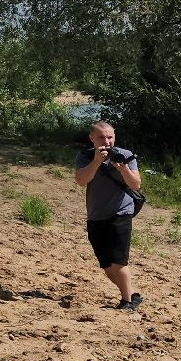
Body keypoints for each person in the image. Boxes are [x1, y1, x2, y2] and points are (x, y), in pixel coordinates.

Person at [72, 120, 144, 309]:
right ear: (92, 138)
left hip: (121, 213)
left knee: (119, 262)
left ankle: (127, 302)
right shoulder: (85, 156)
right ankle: (131, 294)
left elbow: (136, 184)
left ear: (115, 137)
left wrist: (124, 169)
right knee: (107, 266)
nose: (106, 141)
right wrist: (96, 161)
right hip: (96, 215)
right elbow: (81, 180)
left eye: (110, 137)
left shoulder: (126, 155)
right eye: (101, 137)